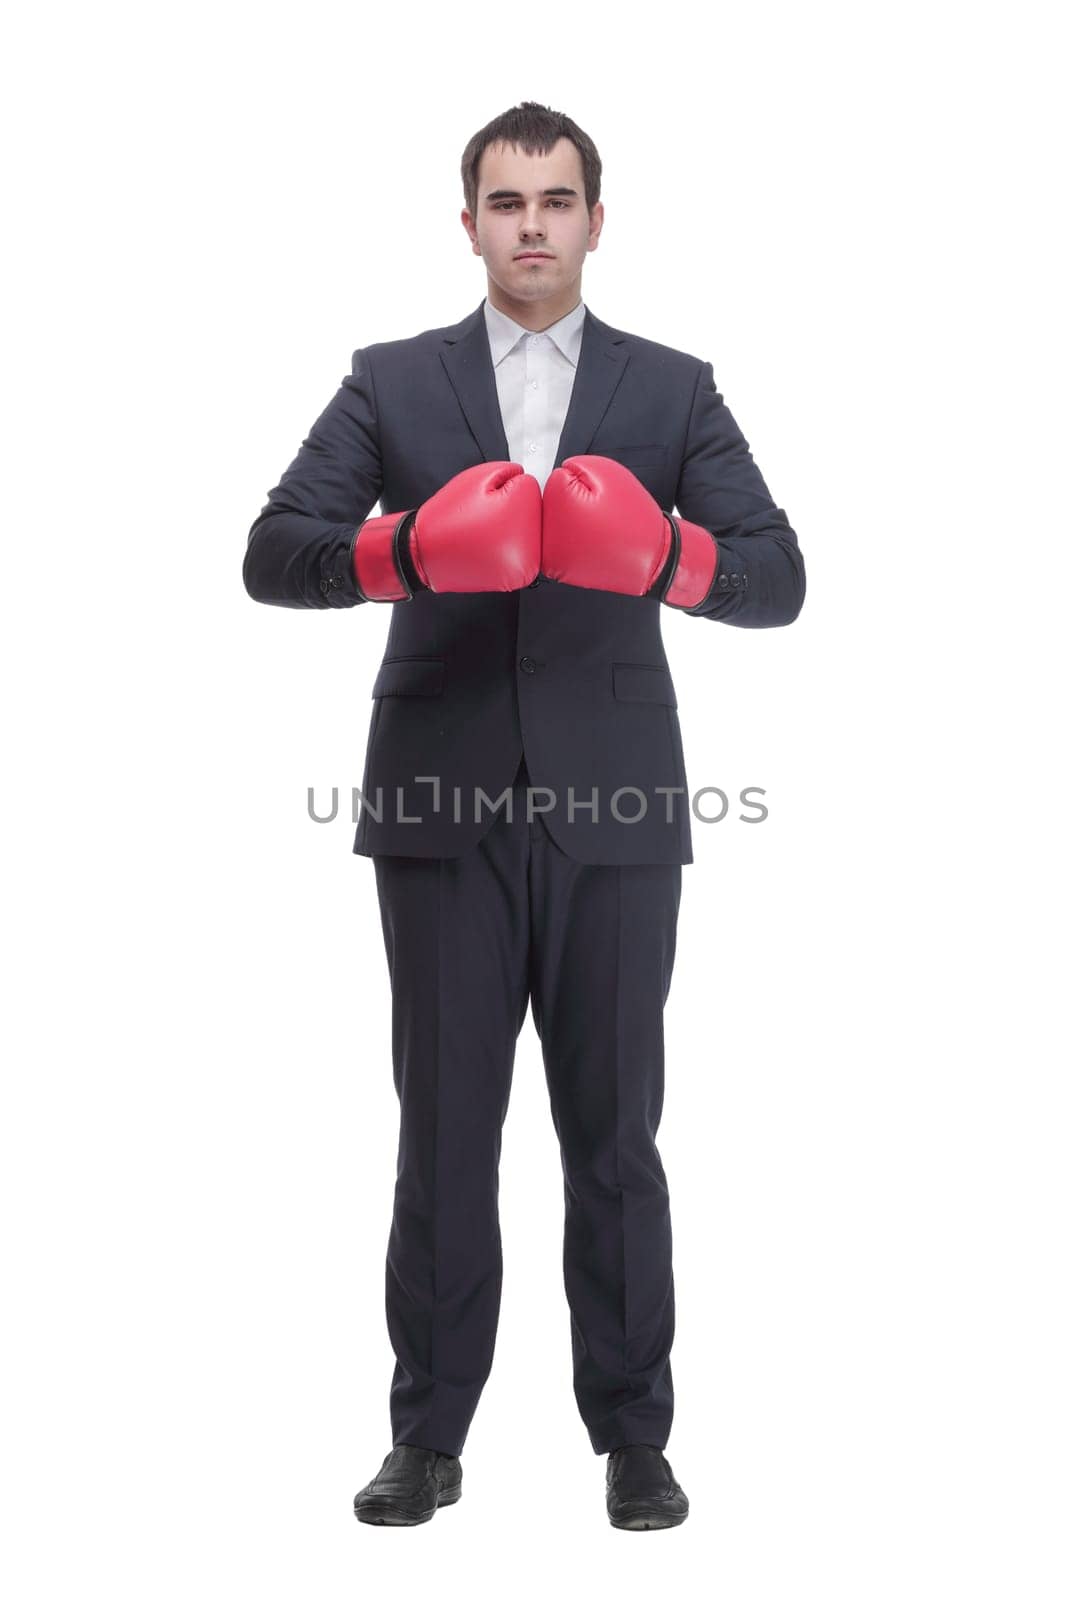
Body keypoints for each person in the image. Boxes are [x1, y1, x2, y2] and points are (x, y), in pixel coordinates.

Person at [243, 99, 805, 1532]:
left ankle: (635, 1439)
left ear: (597, 220)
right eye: (507, 201)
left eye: (559, 200)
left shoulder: (674, 390)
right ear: (471, 222)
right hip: (439, 809)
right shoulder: (391, 381)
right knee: (443, 1132)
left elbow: (779, 577)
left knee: (615, 1134)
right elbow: (274, 553)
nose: (534, 224)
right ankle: (426, 1436)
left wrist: (670, 555)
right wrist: (410, 547)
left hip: (618, 814)